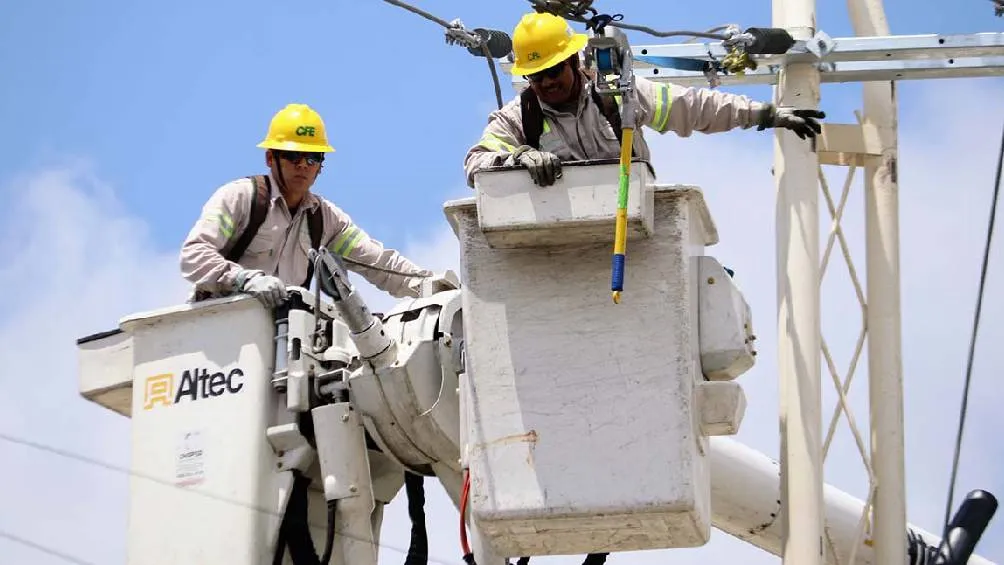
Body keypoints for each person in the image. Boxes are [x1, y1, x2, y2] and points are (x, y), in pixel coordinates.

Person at [464, 12, 826, 187]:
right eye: (536, 76)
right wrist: (517, 157)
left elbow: (695, 108)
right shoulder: (519, 117)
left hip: (629, 224)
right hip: (562, 236)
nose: (546, 83)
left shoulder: (618, 96)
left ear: (574, 61)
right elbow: (475, 164)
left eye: (553, 71)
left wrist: (766, 114)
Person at [180, 103, 443, 308]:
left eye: (313, 157)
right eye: (294, 156)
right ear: (271, 158)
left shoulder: (324, 220)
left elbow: (379, 263)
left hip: (277, 346)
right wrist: (244, 280)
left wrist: (431, 287)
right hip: (220, 335)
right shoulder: (241, 198)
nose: (303, 165)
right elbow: (194, 256)